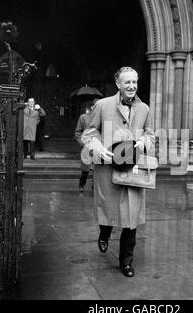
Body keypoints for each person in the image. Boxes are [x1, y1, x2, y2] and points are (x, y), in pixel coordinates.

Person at [81, 66, 155, 277]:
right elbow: (89, 134)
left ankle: (126, 261)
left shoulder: (144, 109)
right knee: (109, 212)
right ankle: (104, 233)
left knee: (131, 219)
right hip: (108, 170)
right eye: (127, 82)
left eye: (134, 82)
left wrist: (143, 141)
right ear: (118, 84)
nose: (131, 86)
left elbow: (151, 134)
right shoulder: (102, 105)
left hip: (133, 171)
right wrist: (98, 148)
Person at [74, 99, 98, 192]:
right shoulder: (83, 117)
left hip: (98, 147)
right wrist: (82, 143)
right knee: (85, 170)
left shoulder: (103, 118)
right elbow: (77, 132)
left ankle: (94, 187)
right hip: (87, 147)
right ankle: (82, 184)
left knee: (97, 170)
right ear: (91, 107)